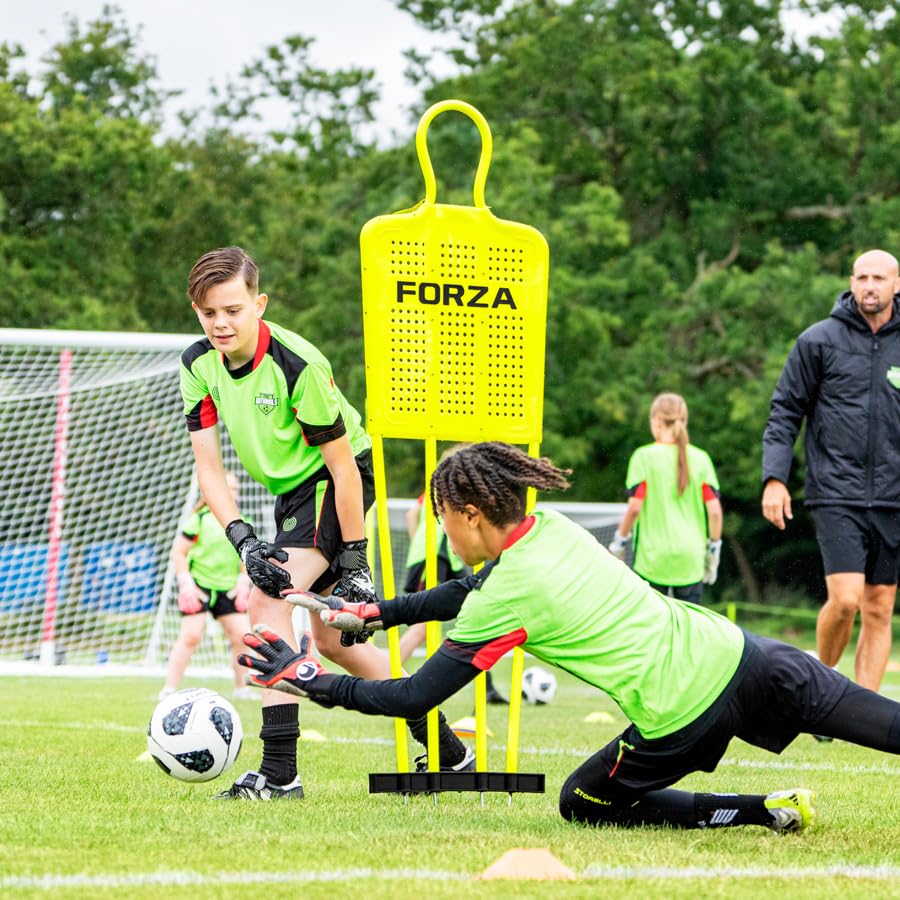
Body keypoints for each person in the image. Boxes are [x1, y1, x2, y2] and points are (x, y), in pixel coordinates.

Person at [241, 442, 900, 834]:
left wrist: (307, 678)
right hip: (744, 653)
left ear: (471, 515)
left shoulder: (504, 599)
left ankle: (757, 811)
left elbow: (412, 696)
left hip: (681, 714)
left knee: (582, 801)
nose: (442, 534)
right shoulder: (549, 527)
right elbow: (464, 591)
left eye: (444, 519)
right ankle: (773, 808)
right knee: (886, 724)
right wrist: (378, 614)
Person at [179, 246, 471, 800]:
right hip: (293, 495)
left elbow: (343, 468)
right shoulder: (196, 364)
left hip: (337, 482)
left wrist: (356, 563)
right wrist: (241, 539)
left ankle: (279, 774)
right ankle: (449, 751)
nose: (221, 323)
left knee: (266, 605)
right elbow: (209, 469)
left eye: (234, 310)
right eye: (208, 312)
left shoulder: (298, 364)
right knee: (335, 642)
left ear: (258, 304)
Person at [762, 249, 900, 692]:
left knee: (879, 607)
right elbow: (784, 412)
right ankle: (818, 689)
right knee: (845, 600)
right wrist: (774, 478)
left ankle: (862, 714)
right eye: (862, 277)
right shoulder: (819, 340)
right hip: (835, 491)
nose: (869, 285)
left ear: (896, 284)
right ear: (851, 282)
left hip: (894, 496)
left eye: (879, 277)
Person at [400, 481, 507, 705]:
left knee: (478, 612)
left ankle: (486, 687)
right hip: (436, 553)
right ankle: (383, 671)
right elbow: (411, 514)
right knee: (424, 626)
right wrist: (421, 543)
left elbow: (413, 514)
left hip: (450, 555)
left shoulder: (444, 486)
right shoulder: (451, 487)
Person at [609, 393, 722, 603]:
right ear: (684, 421)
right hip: (691, 561)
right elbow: (714, 511)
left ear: (656, 422)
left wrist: (619, 543)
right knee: (688, 630)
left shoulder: (643, 457)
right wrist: (713, 552)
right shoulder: (701, 458)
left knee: (653, 631)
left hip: (652, 561)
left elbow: (634, 508)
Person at [160, 471, 254, 701]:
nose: (232, 493)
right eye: (227, 488)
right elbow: (178, 553)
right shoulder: (199, 519)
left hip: (228, 589)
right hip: (200, 587)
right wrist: (187, 584)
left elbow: (247, 557)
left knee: (242, 636)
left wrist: (243, 582)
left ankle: (242, 688)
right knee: (190, 636)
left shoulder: (243, 523)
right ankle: (169, 689)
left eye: (234, 488)